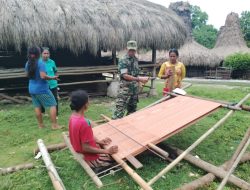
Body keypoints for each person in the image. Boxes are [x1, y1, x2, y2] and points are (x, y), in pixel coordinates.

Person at [69, 90, 118, 169]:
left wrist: (98, 141)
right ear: (85, 104)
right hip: (89, 157)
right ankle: (97, 164)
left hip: (78, 149)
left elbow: (81, 137)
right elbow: (86, 148)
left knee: (102, 146)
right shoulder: (84, 123)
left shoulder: (73, 117)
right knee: (115, 156)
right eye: (88, 100)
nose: (89, 102)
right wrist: (107, 151)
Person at [25, 46, 60, 129]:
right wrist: (53, 77)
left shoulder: (27, 63)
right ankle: (54, 125)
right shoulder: (40, 63)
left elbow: (27, 75)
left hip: (32, 88)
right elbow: (43, 76)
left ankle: (41, 125)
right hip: (42, 89)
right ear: (38, 53)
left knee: (37, 106)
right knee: (53, 104)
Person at [112, 40, 148, 119]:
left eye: (133, 50)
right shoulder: (123, 60)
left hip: (134, 90)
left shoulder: (135, 59)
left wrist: (139, 83)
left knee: (132, 111)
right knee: (119, 112)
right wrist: (139, 79)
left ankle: (128, 128)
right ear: (126, 49)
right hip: (125, 90)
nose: (132, 52)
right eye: (130, 50)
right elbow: (125, 75)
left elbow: (136, 72)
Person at [40, 47, 59, 117]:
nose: (46, 55)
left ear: (49, 54)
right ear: (41, 54)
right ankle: (42, 112)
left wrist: (56, 76)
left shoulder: (52, 62)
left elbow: (55, 71)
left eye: (47, 53)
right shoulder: (39, 62)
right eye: (44, 53)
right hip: (42, 84)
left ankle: (56, 114)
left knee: (54, 99)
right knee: (42, 99)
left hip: (53, 84)